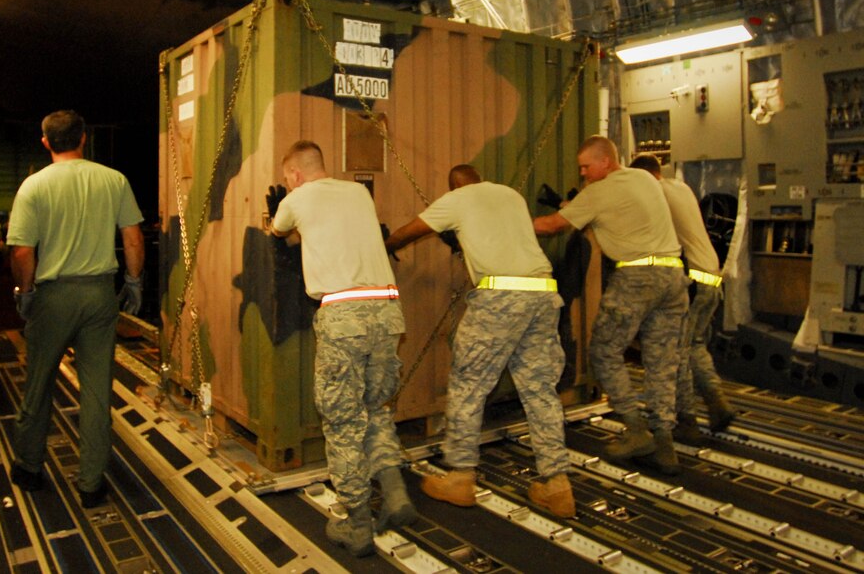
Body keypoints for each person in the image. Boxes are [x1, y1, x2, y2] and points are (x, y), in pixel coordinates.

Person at [385, 165, 576, 518]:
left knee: (467, 385)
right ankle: (557, 484)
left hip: (499, 299)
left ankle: (459, 477)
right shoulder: (510, 195)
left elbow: (408, 233)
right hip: (543, 295)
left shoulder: (457, 199)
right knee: (539, 391)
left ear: (454, 185)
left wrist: (384, 245)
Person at [270, 140, 416, 557]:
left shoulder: (296, 198)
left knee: (342, 422)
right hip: (387, 311)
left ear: (295, 174)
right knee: (375, 408)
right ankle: (394, 493)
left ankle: (357, 522)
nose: (287, 183)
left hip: (343, 316)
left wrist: (281, 213)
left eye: (286, 177)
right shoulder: (357, 192)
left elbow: (279, 231)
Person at [6, 110, 144, 508]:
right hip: (100, 295)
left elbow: (22, 250)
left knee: (39, 384)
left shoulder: (33, 187)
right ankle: (91, 482)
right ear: (84, 138)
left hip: (53, 297)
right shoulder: (113, 180)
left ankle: (28, 468)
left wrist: (25, 291)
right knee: (97, 391)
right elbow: (133, 239)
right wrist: (132, 282)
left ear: (45, 141)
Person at [533, 135, 688, 474]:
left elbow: (552, 226)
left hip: (636, 278)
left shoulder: (598, 192)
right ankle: (664, 444)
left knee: (603, 351)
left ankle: (635, 431)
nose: (584, 174)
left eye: (587, 167)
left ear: (605, 162)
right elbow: (620, 216)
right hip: (674, 278)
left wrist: (511, 225)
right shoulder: (644, 178)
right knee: (662, 360)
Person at [629, 155, 736, 438]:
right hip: (713, 275)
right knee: (693, 344)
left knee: (674, 352)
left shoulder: (654, 192)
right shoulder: (681, 187)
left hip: (692, 280)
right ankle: (717, 402)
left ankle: (685, 419)